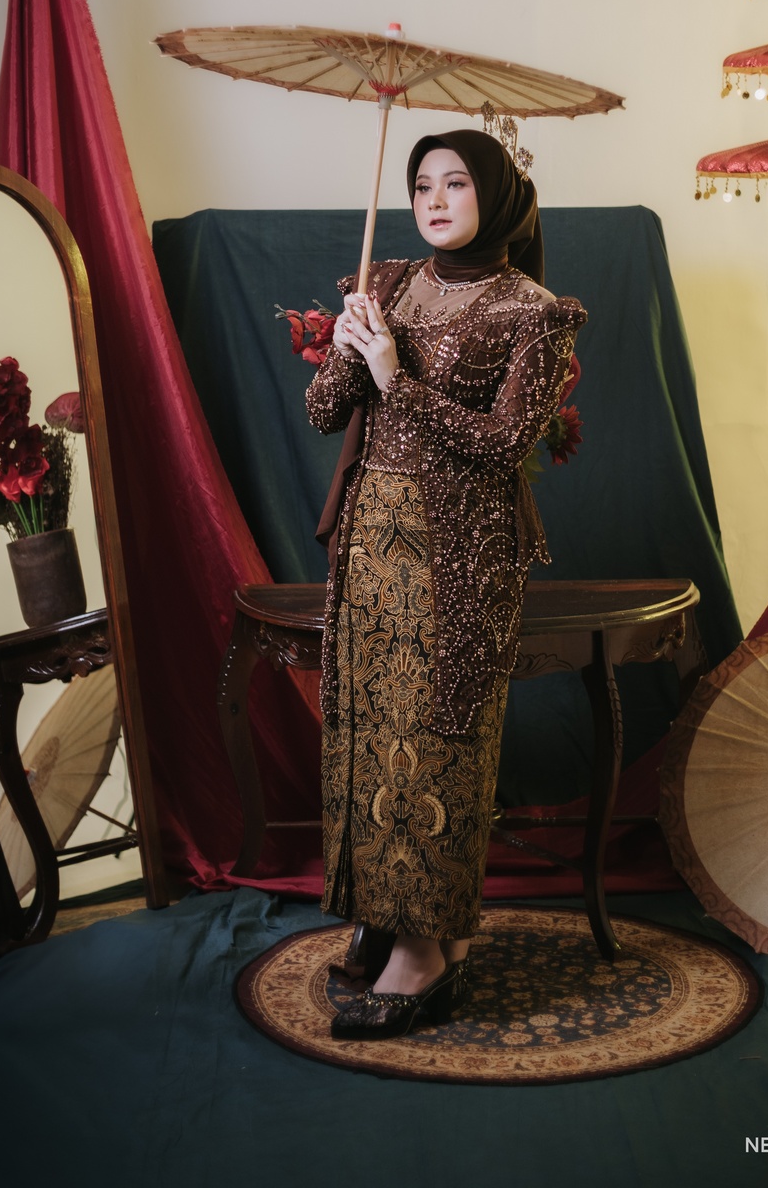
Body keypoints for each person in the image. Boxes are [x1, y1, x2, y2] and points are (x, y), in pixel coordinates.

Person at [305, 128, 587, 1040]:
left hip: (461, 554)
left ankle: (427, 953)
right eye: (422, 183)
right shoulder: (384, 283)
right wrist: (349, 346)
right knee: (366, 730)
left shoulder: (532, 311)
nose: (433, 199)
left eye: (456, 183)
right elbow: (323, 415)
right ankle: (387, 917)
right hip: (369, 547)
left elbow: (504, 445)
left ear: (494, 197)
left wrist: (395, 375)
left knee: (437, 740)